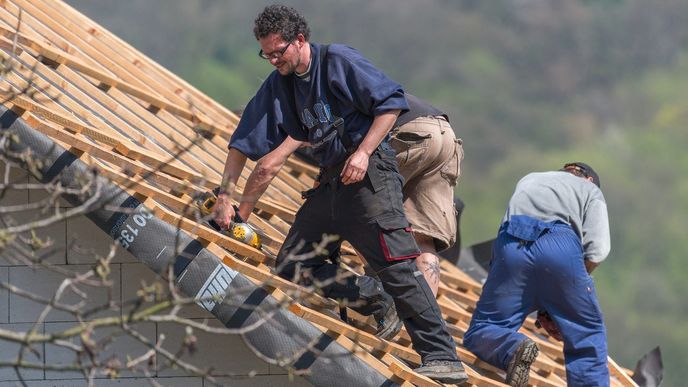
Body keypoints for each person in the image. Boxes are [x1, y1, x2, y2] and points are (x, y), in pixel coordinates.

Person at [213, 5, 467, 383]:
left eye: (278, 52)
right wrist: (225, 197)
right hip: (331, 182)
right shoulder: (278, 85)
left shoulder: (337, 61)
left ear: (300, 40)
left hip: (369, 176)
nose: (273, 60)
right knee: (294, 263)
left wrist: (364, 152)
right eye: (266, 54)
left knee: (395, 264)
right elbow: (244, 143)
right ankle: (370, 296)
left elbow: (390, 104)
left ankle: (441, 356)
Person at [463, 162, 611, 386]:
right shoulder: (591, 191)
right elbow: (598, 251)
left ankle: (512, 347)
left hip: (511, 246)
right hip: (560, 248)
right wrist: (566, 292)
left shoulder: (531, 177)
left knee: (484, 327)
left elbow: (510, 241)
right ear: (589, 179)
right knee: (586, 335)